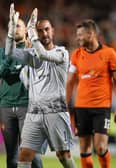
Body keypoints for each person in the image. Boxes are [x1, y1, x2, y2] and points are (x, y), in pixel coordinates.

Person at [5, 5, 76, 168]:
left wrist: (31, 31)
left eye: (46, 29)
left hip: (55, 112)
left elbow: (44, 54)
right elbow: (9, 52)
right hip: (34, 113)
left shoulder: (62, 53)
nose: (44, 33)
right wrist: (11, 30)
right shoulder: (31, 56)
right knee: (24, 155)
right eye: (40, 30)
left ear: (53, 31)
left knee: (63, 156)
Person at [66, 19, 116, 168]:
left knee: (100, 148)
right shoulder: (76, 55)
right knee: (84, 150)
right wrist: (64, 104)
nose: (77, 38)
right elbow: (70, 81)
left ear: (91, 34)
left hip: (101, 107)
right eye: (76, 35)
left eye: (80, 35)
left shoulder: (109, 53)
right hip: (81, 107)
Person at [0, 4, 43, 168]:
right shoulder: (2, 51)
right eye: (12, 26)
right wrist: (15, 65)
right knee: (11, 155)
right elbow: (2, 72)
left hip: (28, 105)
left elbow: (36, 72)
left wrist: (12, 67)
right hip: (6, 106)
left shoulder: (33, 51)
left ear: (26, 31)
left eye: (18, 25)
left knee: (31, 153)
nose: (15, 28)